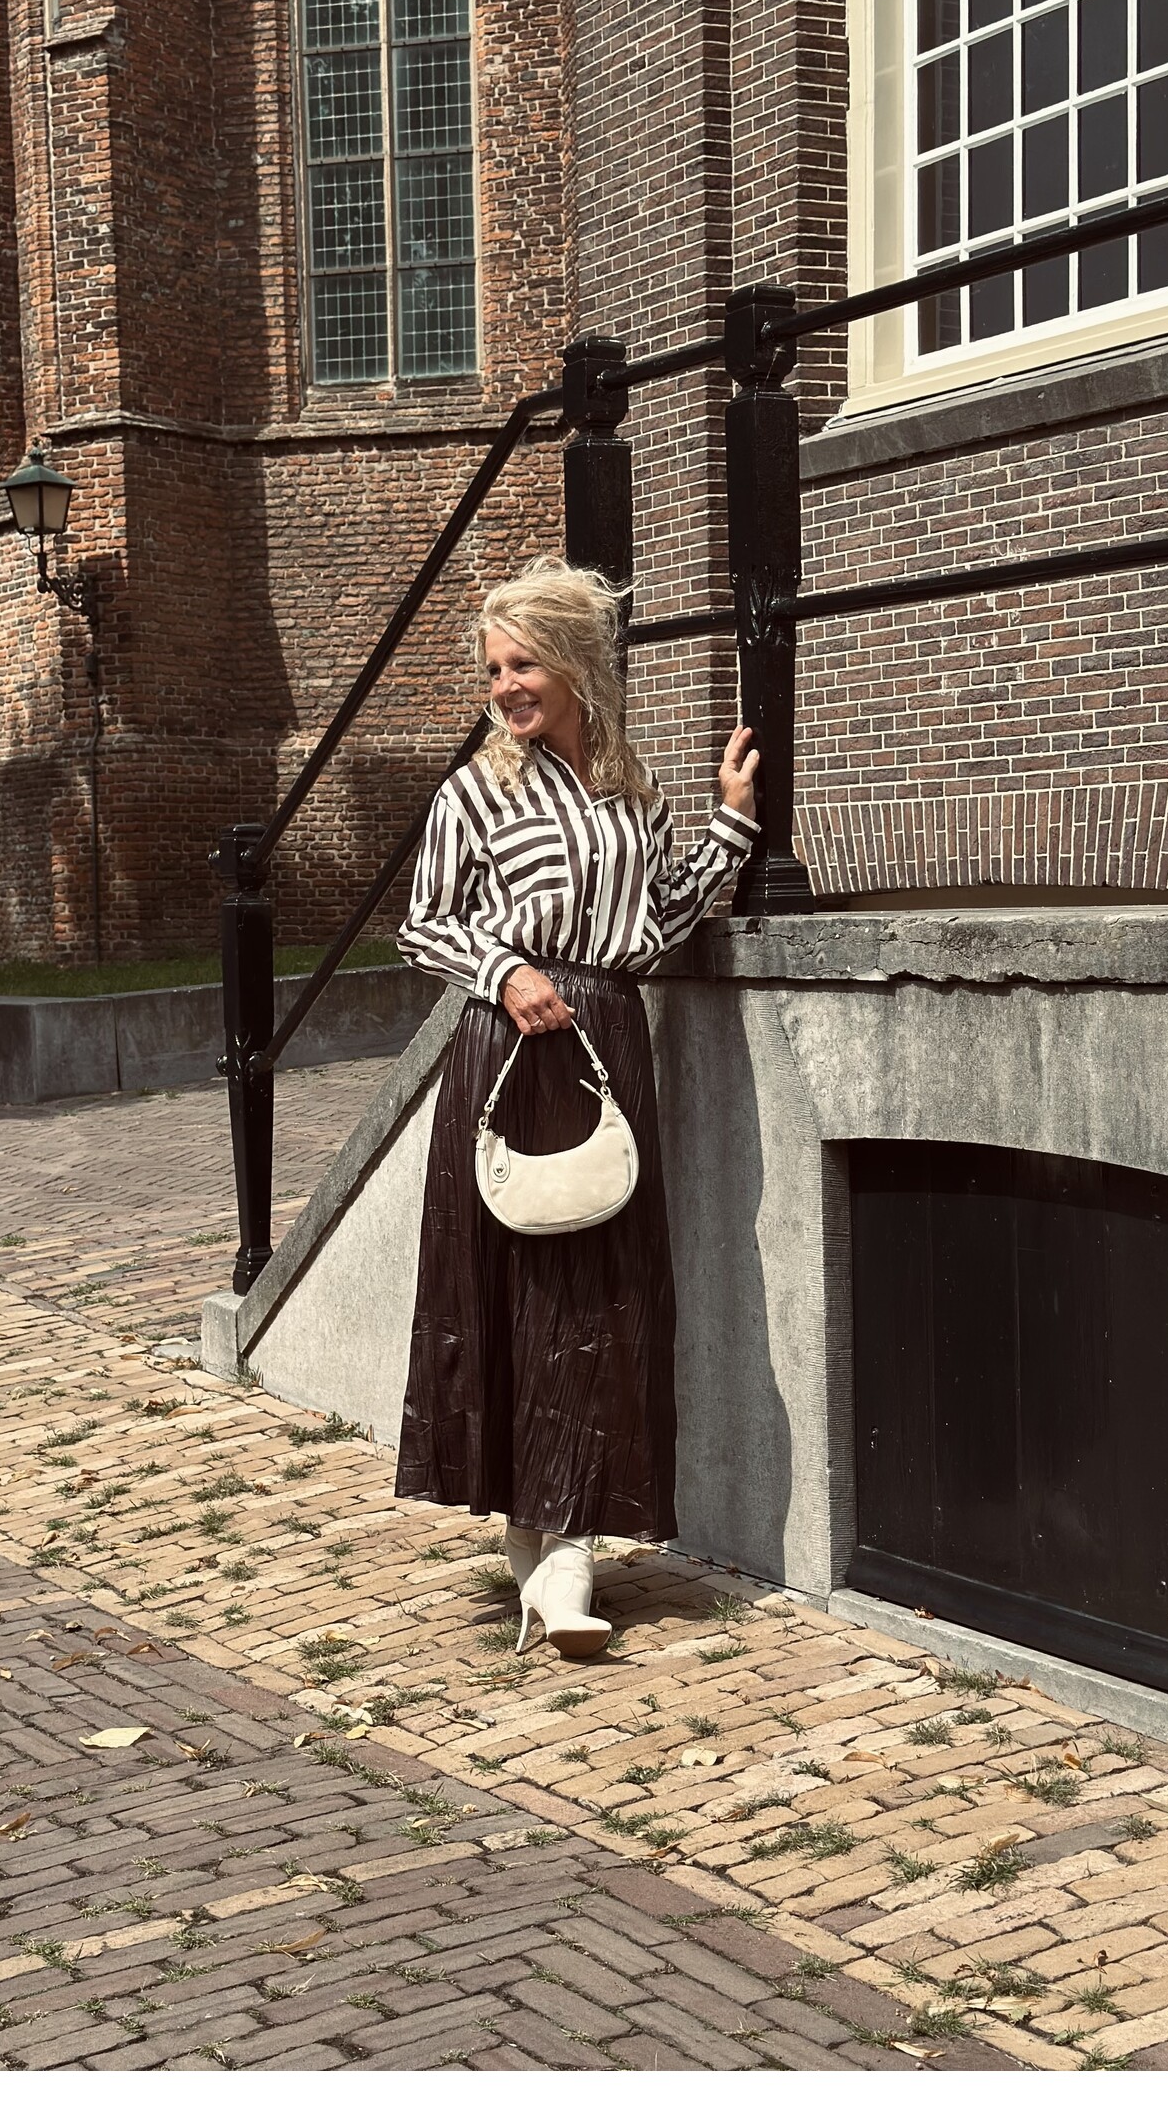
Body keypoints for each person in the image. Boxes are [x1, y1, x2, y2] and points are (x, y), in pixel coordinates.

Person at [393, 556, 760, 1657]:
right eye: (493, 669)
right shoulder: (475, 790)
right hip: (510, 1047)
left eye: (524, 664)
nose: (506, 687)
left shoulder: (633, 791)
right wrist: (505, 970)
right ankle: (551, 1557)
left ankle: (558, 1544)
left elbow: (656, 926)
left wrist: (730, 828)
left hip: (607, 1041)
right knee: (518, 1293)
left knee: (601, 1299)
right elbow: (423, 922)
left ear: (574, 662)